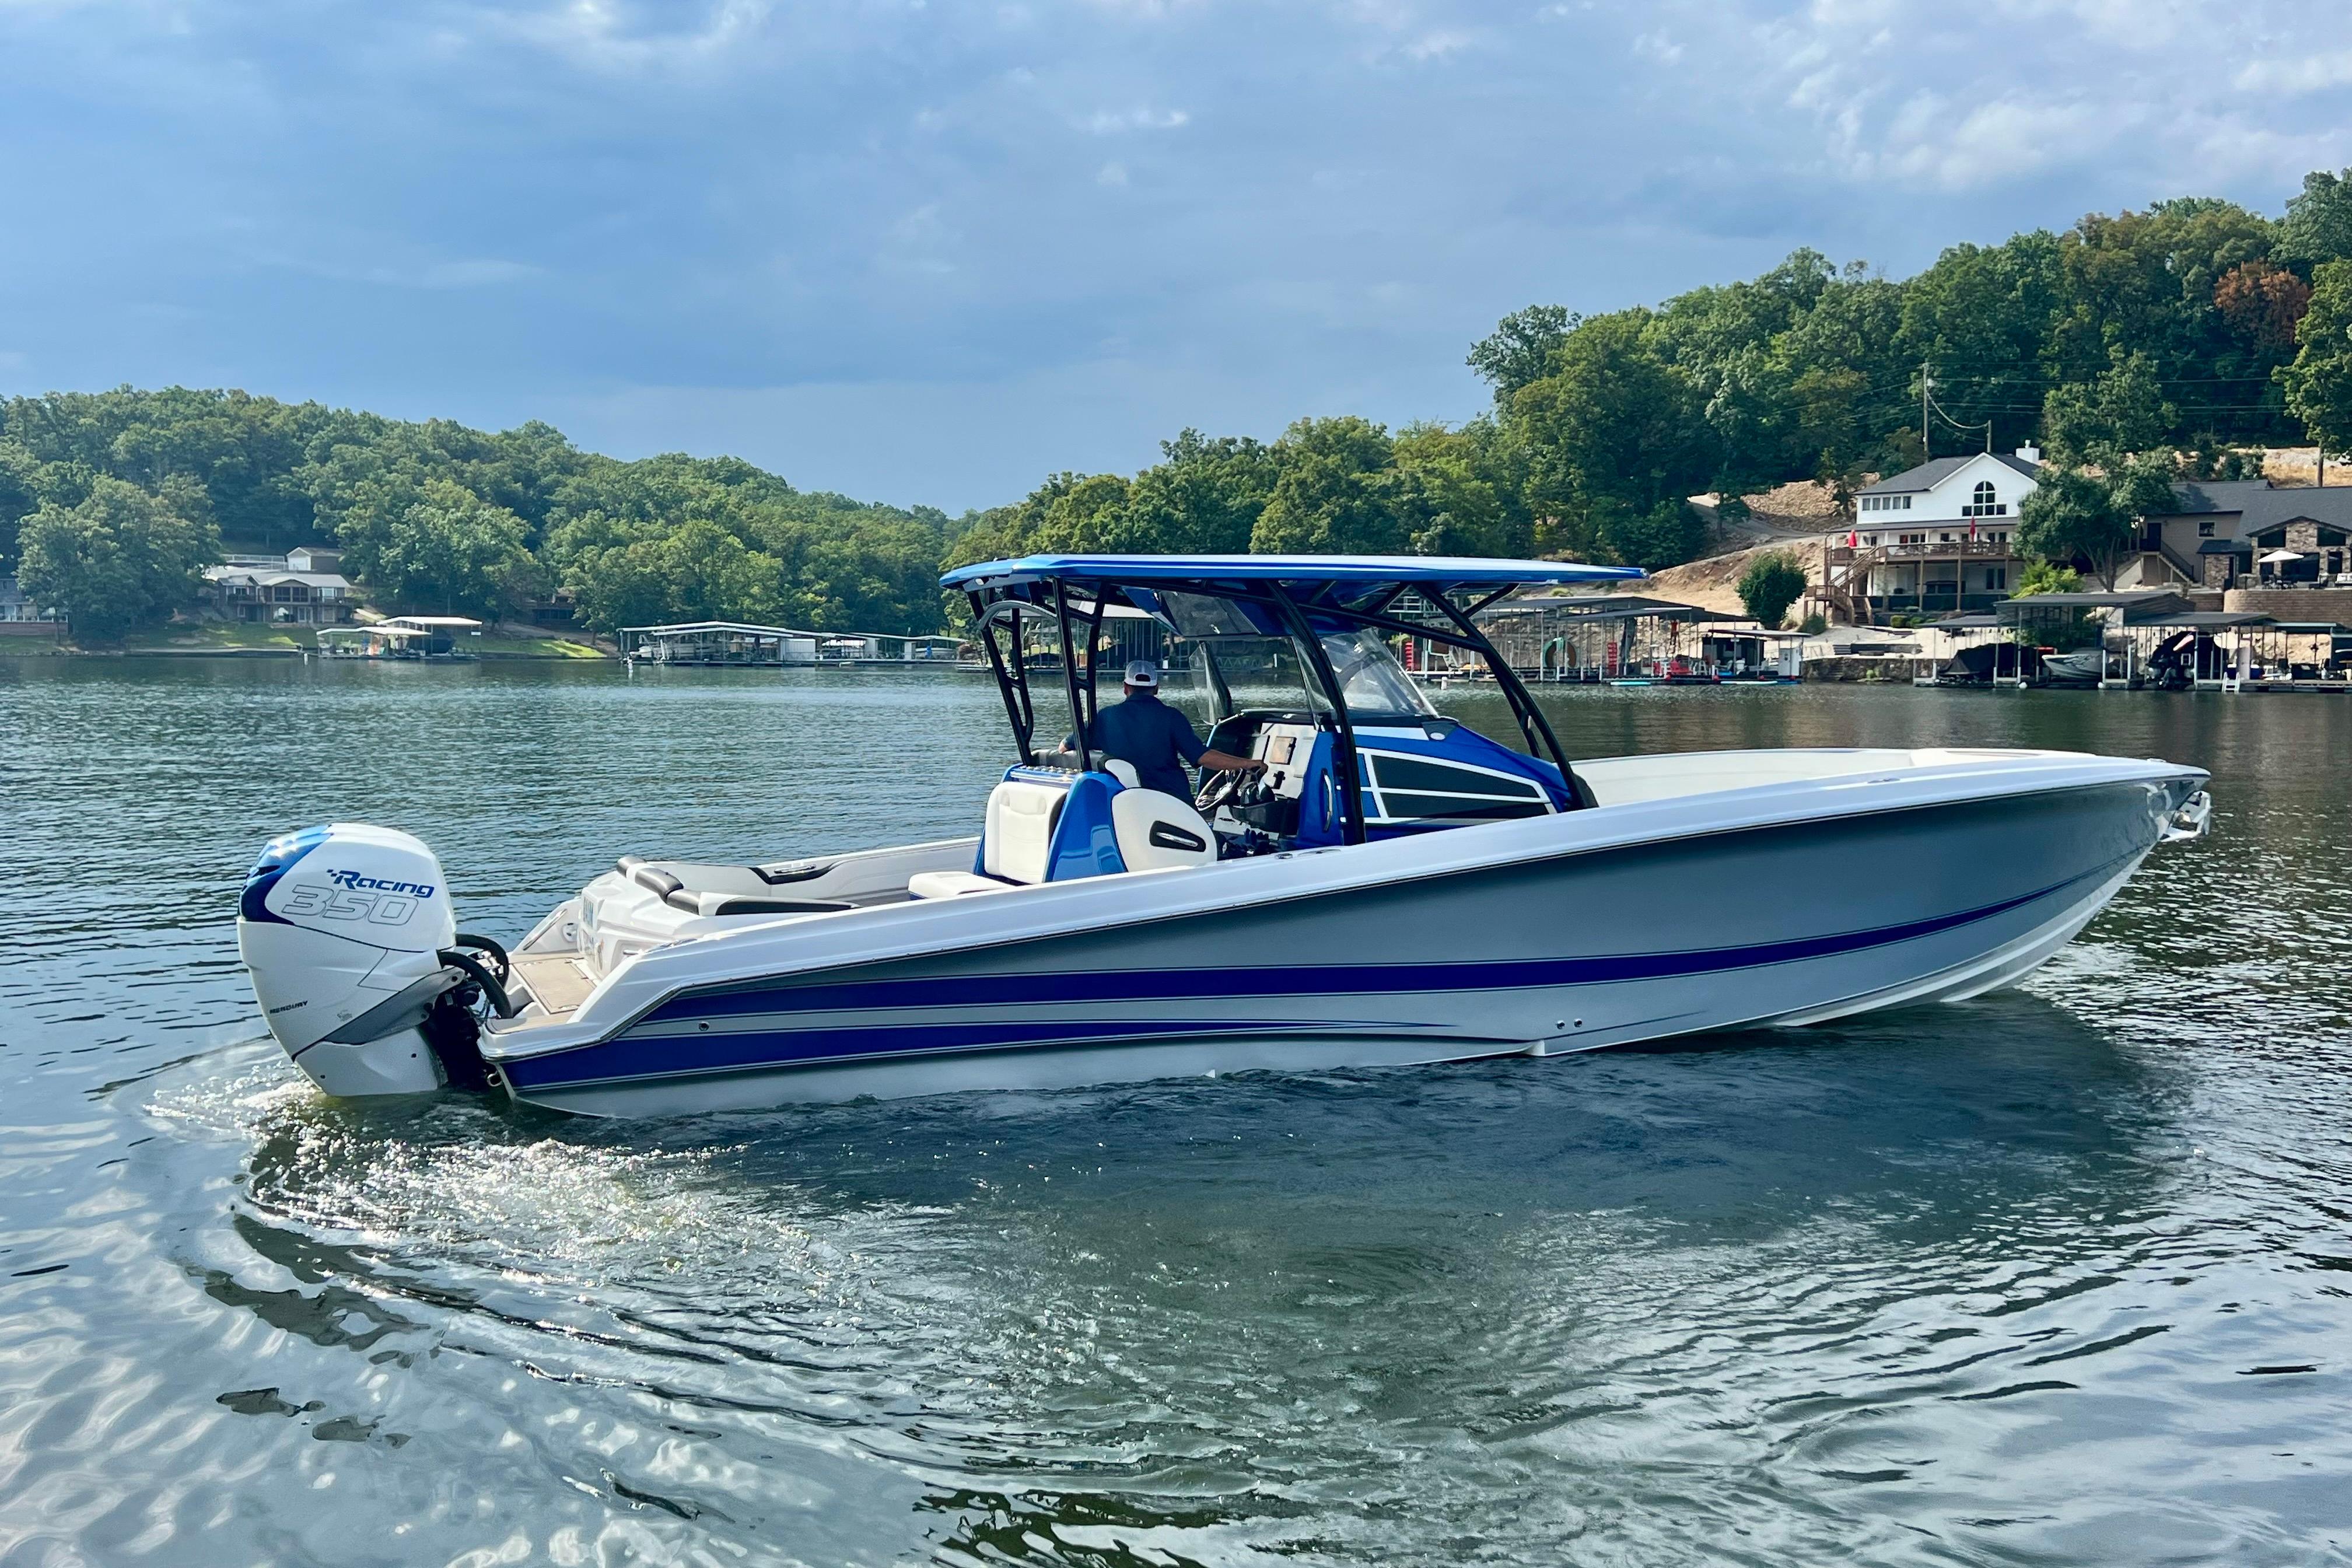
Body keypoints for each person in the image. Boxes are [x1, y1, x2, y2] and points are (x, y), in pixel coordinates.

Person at [1068, 660, 1265, 800]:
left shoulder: (1105, 717)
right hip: (1171, 802)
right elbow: (1203, 757)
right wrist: (1248, 764)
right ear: (1156, 688)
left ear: (1126, 687)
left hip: (1125, 801)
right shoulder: (1172, 717)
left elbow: (1066, 747)